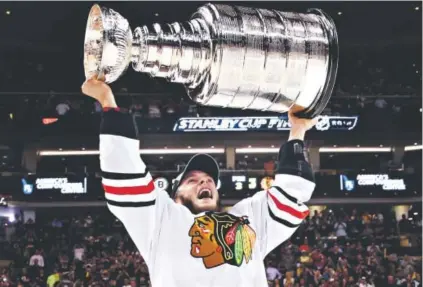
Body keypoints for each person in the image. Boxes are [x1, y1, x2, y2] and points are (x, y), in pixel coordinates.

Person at [81, 78, 318, 287]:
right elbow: (123, 171)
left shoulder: (247, 220)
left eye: (208, 180)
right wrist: (107, 101)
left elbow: (291, 192)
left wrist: (297, 131)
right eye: (192, 179)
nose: (204, 181)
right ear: (175, 195)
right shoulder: (161, 219)